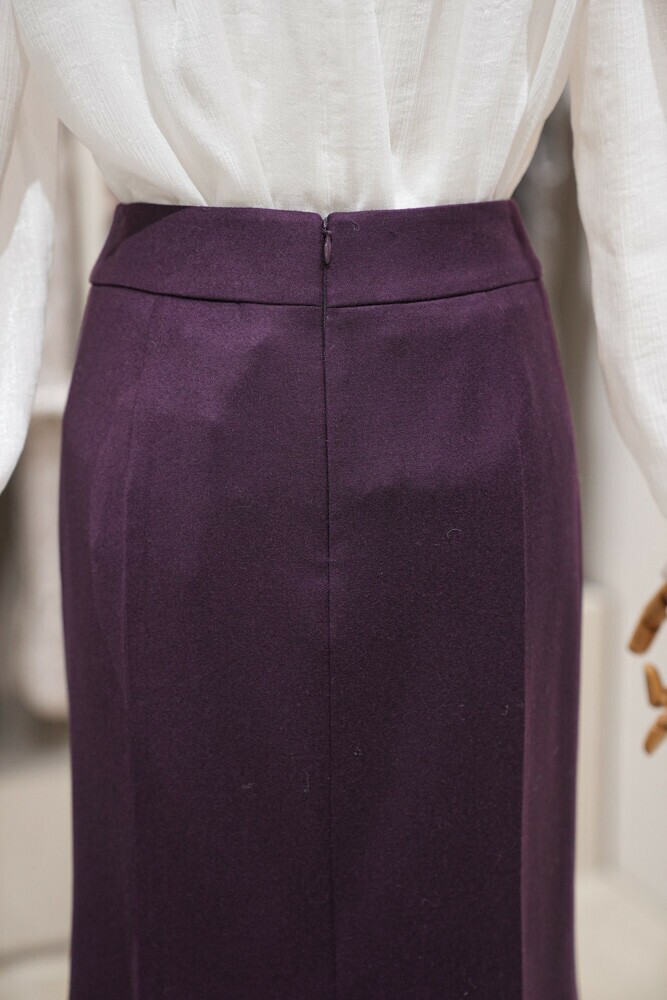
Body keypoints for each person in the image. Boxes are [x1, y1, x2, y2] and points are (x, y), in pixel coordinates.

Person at [0, 2, 665, 998]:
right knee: (182, 917)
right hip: (250, 370)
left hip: (348, 371)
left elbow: (634, 120)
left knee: (468, 911)